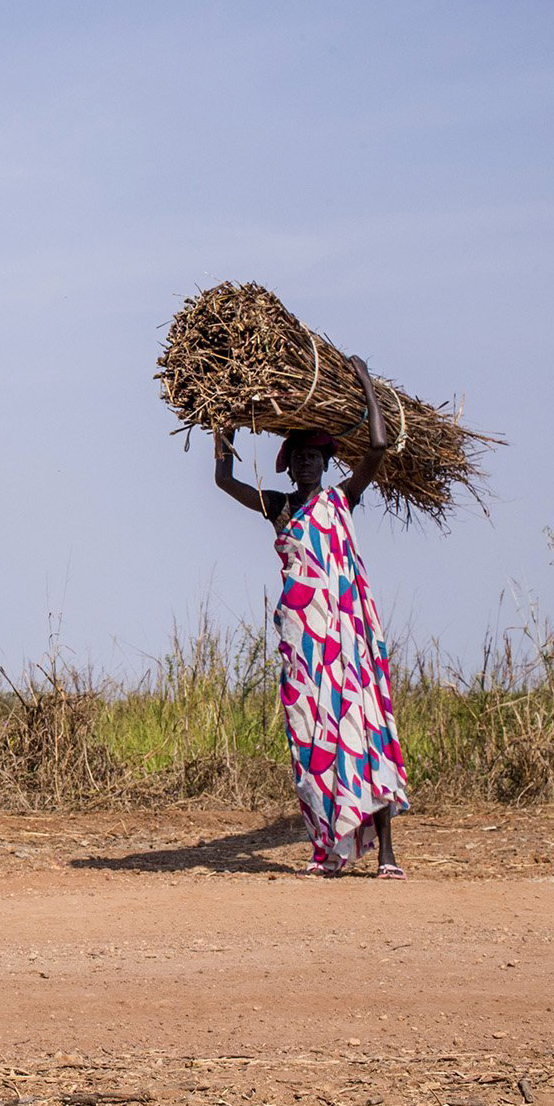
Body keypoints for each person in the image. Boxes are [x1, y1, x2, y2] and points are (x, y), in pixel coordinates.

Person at [212, 354, 409, 879]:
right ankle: (327, 849)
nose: (305, 465)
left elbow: (380, 447)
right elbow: (223, 479)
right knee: (311, 739)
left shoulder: (342, 499)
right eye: (298, 456)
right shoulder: (278, 508)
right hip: (302, 645)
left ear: (326, 464)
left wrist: (366, 381)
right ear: (290, 463)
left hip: (347, 638)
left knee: (364, 731)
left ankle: (386, 853)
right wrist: (223, 422)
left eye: (313, 458)